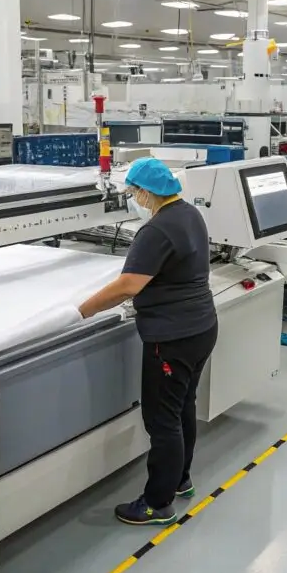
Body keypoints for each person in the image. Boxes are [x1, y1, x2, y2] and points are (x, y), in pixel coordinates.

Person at [78, 157, 218, 526]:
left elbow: (128, 285)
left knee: (161, 421)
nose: (133, 198)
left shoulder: (156, 230)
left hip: (172, 337)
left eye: (133, 191)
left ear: (147, 191)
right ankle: (180, 479)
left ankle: (158, 502)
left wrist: (83, 310)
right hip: (202, 327)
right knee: (183, 405)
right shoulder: (190, 214)